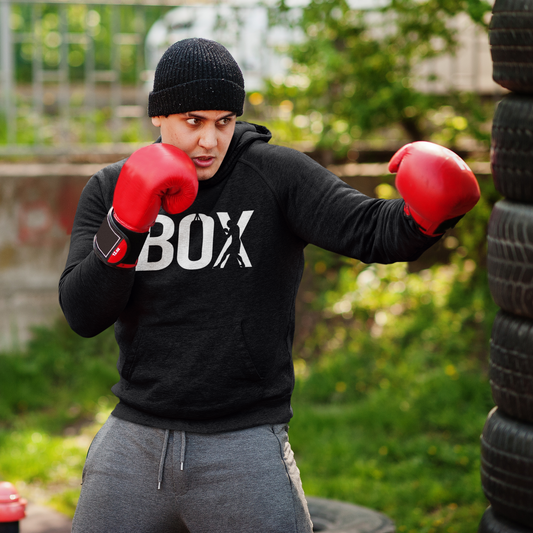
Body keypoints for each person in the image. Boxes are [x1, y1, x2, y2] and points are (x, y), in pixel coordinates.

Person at [59, 38, 480, 533]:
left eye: (224, 122)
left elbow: (373, 231)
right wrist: (126, 226)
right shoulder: (111, 187)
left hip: (243, 442)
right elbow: (82, 313)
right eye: (193, 121)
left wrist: (428, 215)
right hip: (134, 438)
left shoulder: (275, 176)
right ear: (159, 116)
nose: (210, 141)